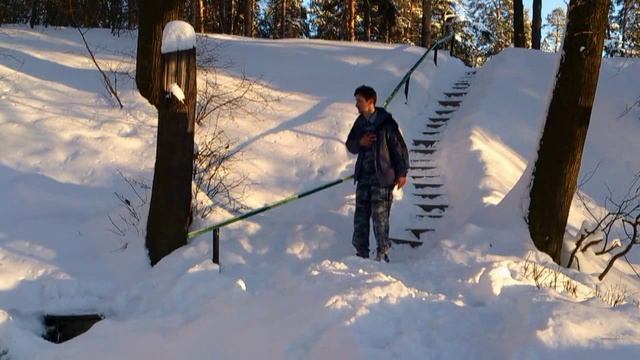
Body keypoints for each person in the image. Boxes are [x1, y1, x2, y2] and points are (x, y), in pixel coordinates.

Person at [345, 85, 409, 262]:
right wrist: (361, 141)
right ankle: (361, 253)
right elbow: (350, 145)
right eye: (356, 101)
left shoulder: (386, 123)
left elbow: (399, 149)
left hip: (382, 179)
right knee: (360, 218)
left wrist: (402, 172)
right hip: (364, 178)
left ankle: (383, 253)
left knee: (380, 219)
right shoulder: (359, 123)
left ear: (370, 102)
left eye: (359, 101)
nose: (356, 105)